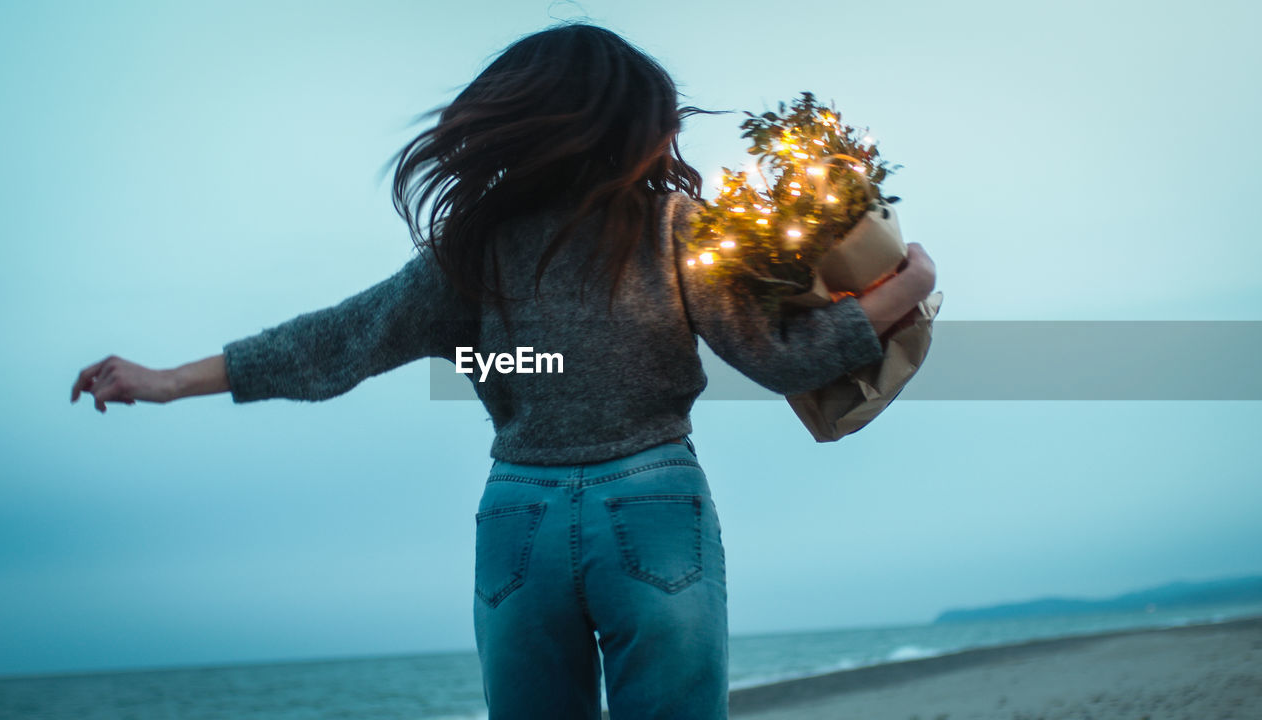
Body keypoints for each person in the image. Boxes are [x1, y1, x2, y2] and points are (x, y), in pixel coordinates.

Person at [70, 22, 936, 720]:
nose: (674, 133)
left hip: (518, 513)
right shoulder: (673, 226)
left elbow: (337, 342)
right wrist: (903, 293)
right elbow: (775, 358)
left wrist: (165, 380)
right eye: (663, 116)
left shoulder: (469, 247)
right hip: (651, 499)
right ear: (624, 125)